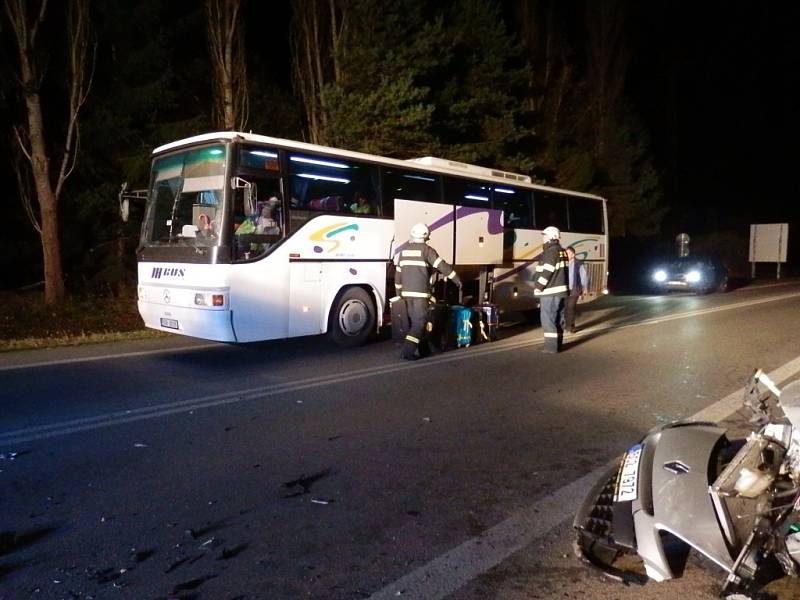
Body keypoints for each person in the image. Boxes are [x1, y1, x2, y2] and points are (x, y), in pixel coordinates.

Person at [394, 223, 461, 360]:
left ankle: (424, 350)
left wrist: (399, 292)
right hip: (420, 295)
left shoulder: (403, 252)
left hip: (406, 294)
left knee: (418, 321)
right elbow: (442, 266)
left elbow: (398, 275)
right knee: (420, 323)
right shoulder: (427, 250)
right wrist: (456, 279)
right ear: (426, 236)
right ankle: (407, 351)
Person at [533, 226, 569, 353]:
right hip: (560, 291)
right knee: (558, 319)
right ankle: (558, 345)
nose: (543, 238)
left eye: (544, 235)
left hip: (550, 291)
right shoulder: (561, 251)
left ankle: (550, 347)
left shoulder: (551, 251)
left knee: (548, 319)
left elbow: (547, 271)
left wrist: (538, 287)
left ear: (551, 237)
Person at [564, 245, 589, 334]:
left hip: (575, 289)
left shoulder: (578, 263)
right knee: (566, 307)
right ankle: (567, 325)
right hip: (565, 289)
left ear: (573, 254)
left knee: (570, 307)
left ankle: (571, 327)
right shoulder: (563, 263)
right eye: (566, 253)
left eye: (569, 253)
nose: (567, 255)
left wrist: (585, 288)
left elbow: (584, 276)